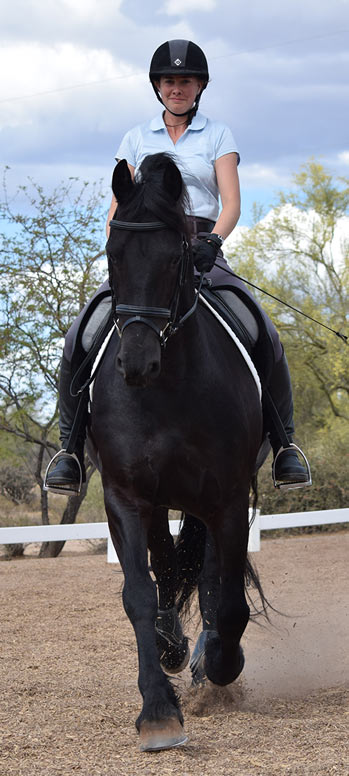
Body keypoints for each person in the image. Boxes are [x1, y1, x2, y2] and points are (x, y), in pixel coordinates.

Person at [45, 39, 310, 494]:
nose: (177, 88)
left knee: (262, 326)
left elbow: (232, 203)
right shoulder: (135, 138)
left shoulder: (218, 135)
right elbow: (119, 205)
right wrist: (121, 249)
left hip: (202, 247)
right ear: (158, 86)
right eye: (169, 81)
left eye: (185, 81)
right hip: (144, 253)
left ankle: (285, 446)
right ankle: (68, 449)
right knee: (81, 333)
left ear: (199, 85)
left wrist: (211, 241)